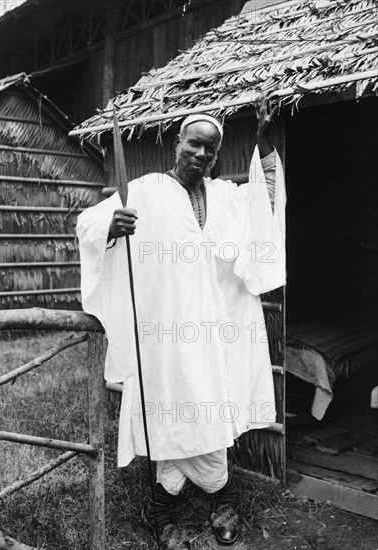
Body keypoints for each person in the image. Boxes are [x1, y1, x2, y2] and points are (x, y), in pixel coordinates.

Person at [76, 96, 286, 549]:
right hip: (166, 331)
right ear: (178, 143)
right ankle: (172, 508)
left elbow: (264, 202)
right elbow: (88, 221)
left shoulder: (225, 197)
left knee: (211, 405)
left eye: (210, 150)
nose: (201, 155)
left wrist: (264, 143)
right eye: (194, 144)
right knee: (171, 407)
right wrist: (113, 224)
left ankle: (207, 499)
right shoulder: (148, 189)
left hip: (213, 331)